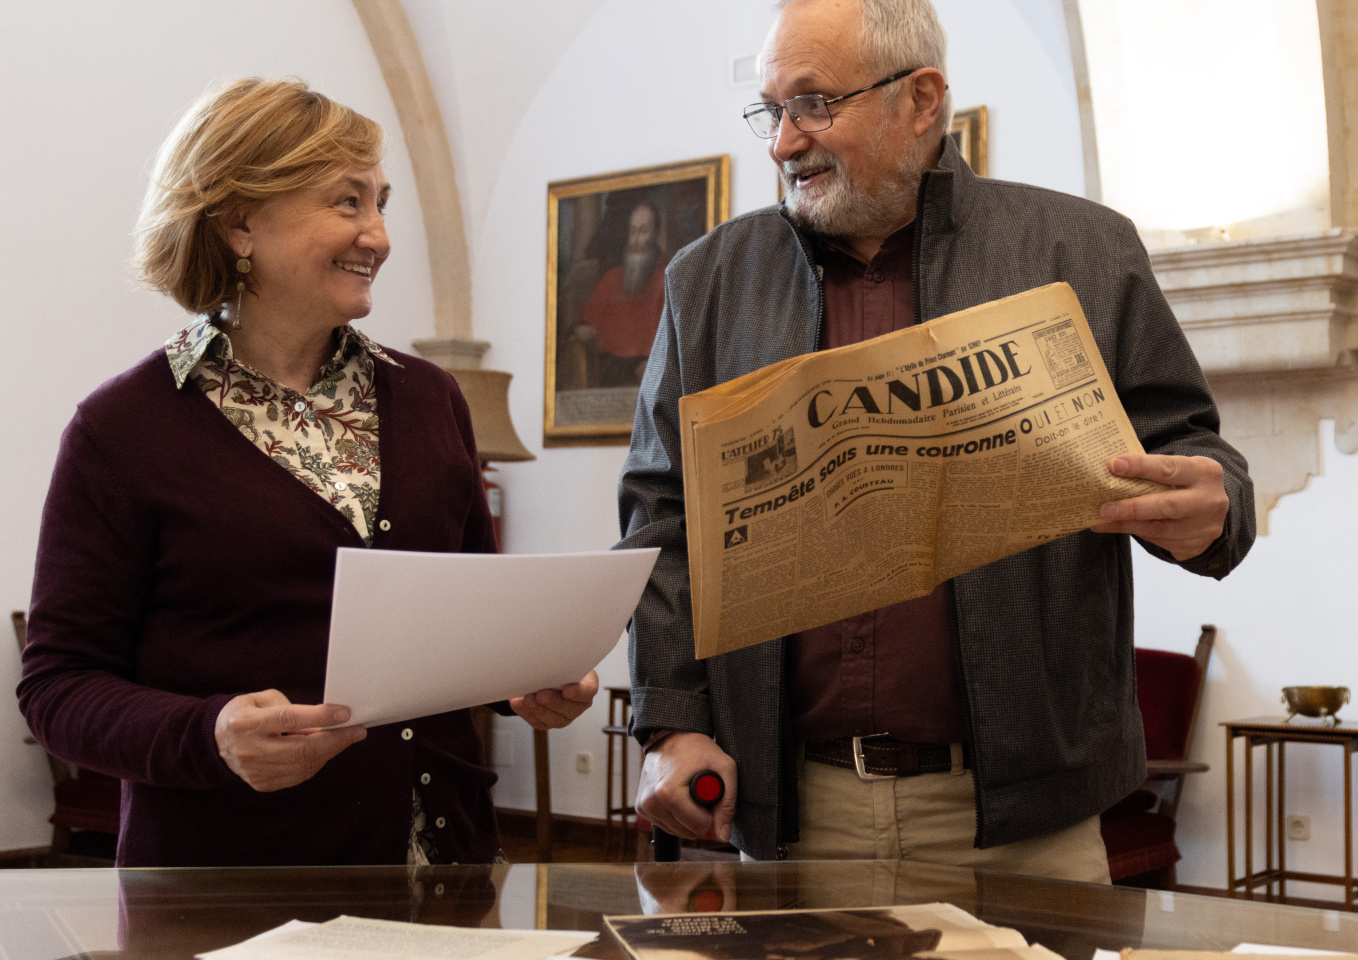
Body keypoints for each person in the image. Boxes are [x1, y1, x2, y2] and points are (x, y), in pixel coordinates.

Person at [619, 0, 1255, 882]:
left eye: (814, 105)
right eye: (772, 110)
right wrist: (672, 721)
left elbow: (1193, 452)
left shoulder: (1082, 251)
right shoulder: (709, 283)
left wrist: (1216, 503)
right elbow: (660, 519)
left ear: (920, 100)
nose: (782, 144)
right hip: (793, 814)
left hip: (1028, 819)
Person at [16, 78, 597, 867]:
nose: (380, 236)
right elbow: (59, 686)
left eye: (380, 202)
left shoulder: (430, 398)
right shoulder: (121, 430)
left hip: (447, 869)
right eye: (347, 202)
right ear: (239, 223)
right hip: (230, 885)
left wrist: (523, 680)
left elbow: (460, 620)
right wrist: (212, 735)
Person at [576, 201, 668, 386]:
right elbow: (585, 321)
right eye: (632, 231)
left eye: (643, 232)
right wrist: (582, 328)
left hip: (649, 371)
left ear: (656, 235)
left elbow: (675, 338)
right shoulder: (612, 278)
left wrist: (657, 364)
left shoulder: (668, 278)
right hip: (609, 370)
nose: (635, 240)